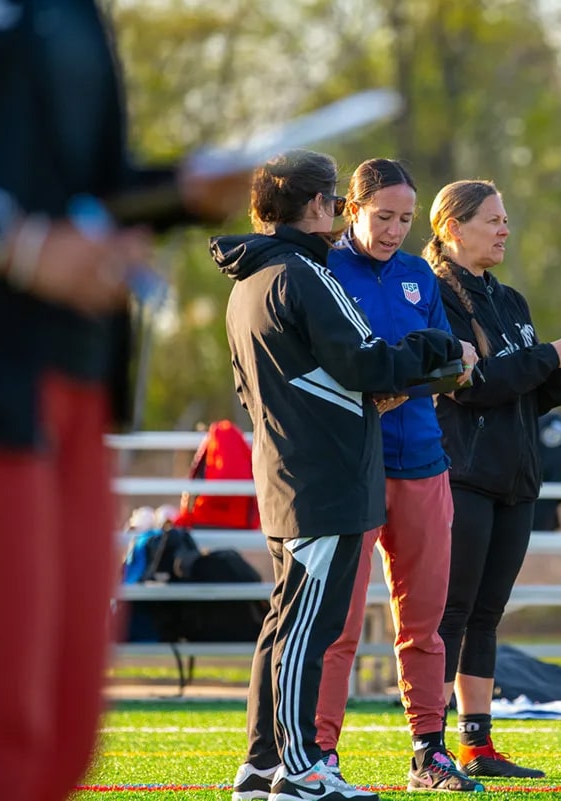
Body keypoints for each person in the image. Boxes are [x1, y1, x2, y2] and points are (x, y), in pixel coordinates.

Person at [0, 2, 249, 799]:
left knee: (66, 724)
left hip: (76, 378)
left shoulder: (75, 13)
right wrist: (14, 247)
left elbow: (81, 186)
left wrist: (182, 191)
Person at [216, 150, 470, 801]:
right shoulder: (305, 273)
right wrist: (441, 348)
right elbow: (367, 364)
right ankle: (304, 767)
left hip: (291, 473)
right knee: (312, 629)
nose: (393, 229)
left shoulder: (249, 280)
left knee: (285, 626)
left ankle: (263, 764)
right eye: (334, 202)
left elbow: (252, 391)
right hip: (325, 477)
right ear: (321, 206)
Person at [425, 179, 561, 780]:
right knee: (452, 614)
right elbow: (472, 386)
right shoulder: (434, 295)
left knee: (487, 615)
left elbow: (527, 396)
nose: (505, 229)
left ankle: (477, 746)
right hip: (462, 473)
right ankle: (429, 748)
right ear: (453, 229)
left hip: (514, 477)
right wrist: (548, 356)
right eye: (493, 220)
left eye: (505, 219)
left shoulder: (510, 300)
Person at [314, 158, 481, 792]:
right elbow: (323, 370)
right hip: (353, 465)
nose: (394, 230)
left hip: (424, 462)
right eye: (383, 216)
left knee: (425, 625)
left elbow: (448, 362)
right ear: (351, 210)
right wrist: (376, 392)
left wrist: (433, 371)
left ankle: (428, 753)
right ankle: (320, 754)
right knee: (339, 625)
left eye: (405, 219)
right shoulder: (322, 270)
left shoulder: (418, 275)